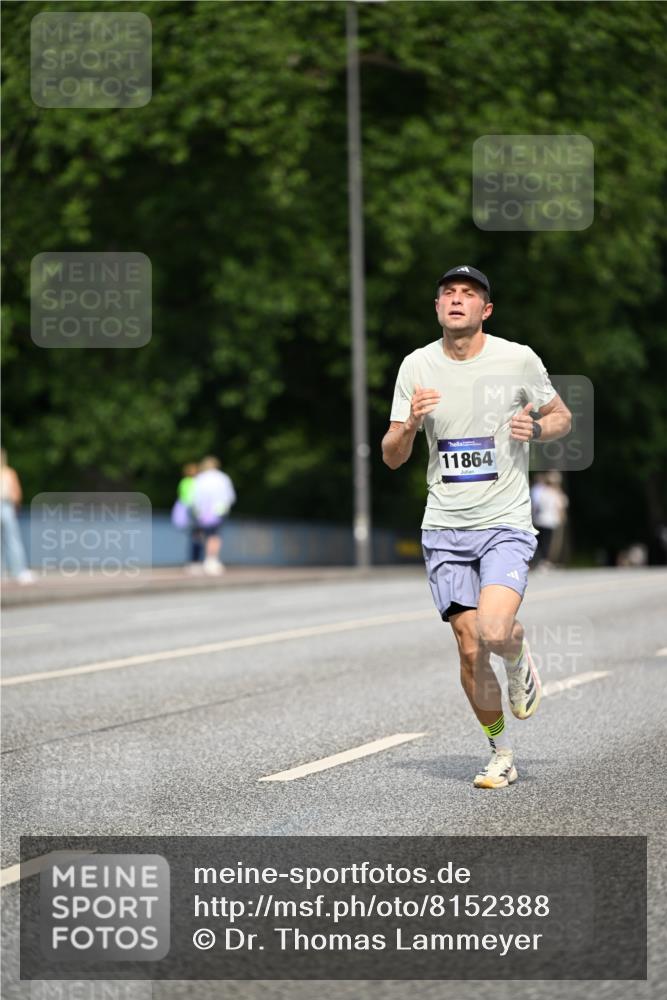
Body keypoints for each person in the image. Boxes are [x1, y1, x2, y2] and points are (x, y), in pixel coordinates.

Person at [382, 265, 571, 789]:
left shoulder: (516, 358)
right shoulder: (416, 366)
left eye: (469, 294)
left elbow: (562, 417)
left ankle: (517, 657)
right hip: (443, 526)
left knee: (493, 632)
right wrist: (412, 424)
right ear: (438, 307)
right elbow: (392, 455)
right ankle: (500, 752)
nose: (457, 300)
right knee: (469, 649)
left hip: (504, 522)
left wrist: (534, 426)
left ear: (486, 310)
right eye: (448, 293)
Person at [192, 456, 236, 575]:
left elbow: (195, 497)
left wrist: (197, 510)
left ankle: (206, 560)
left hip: (203, 512)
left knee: (206, 535)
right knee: (215, 535)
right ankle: (212, 559)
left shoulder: (200, 478)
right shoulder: (223, 478)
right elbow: (230, 496)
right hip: (218, 510)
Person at [1, 448, 34, 584]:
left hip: (6, 506)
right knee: (13, 540)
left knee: (10, 541)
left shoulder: (8, 473)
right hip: (6, 506)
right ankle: (19, 572)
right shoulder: (8, 473)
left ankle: (6, 573)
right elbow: (16, 493)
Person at [531, 471, 568, 568]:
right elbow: (560, 507)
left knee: (542, 541)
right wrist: (562, 518)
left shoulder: (543, 492)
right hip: (550, 520)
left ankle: (541, 560)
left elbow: (536, 506)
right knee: (547, 541)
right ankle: (544, 560)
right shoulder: (555, 493)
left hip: (542, 519)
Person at [173, 462, 205, 572]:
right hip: (195, 512)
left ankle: (193, 562)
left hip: (188, 512)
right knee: (197, 537)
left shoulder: (184, 482)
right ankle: (195, 562)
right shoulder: (198, 483)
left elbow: (181, 498)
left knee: (194, 537)